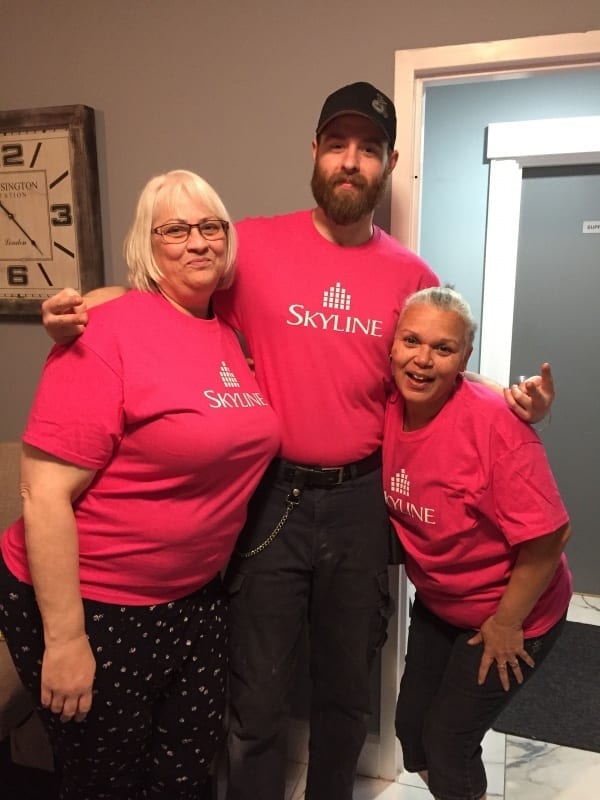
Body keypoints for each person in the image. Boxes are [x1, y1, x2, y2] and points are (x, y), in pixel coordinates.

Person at [39, 83, 554, 800]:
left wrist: (510, 395)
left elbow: (434, 362)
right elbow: (167, 292)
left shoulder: (413, 276)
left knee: (347, 694)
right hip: (269, 499)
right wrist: (84, 306)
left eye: (368, 150)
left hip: (362, 499)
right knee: (257, 696)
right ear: (314, 152)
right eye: (337, 145)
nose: (351, 161)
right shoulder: (248, 248)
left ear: (389, 163)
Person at [0, 169, 280, 800]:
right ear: (146, 246)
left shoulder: (229, 333)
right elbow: (42, 494)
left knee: (186, 766)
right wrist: (66, 639)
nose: (198, 241)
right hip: (98, 602)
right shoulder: (103, 333)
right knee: (106, 781)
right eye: (175, 229)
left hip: (194, 599)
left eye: (210, 226)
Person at [383, 286, 571, 800]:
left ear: (464, 357)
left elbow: (550, 536)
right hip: (442, 603)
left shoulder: (496, 427)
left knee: (448, 742)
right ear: (392, 345)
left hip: (513, 612)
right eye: (411, 341)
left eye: (443, 349)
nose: (422, 360)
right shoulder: (389, 401)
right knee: (412, 734)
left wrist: (508, 624)